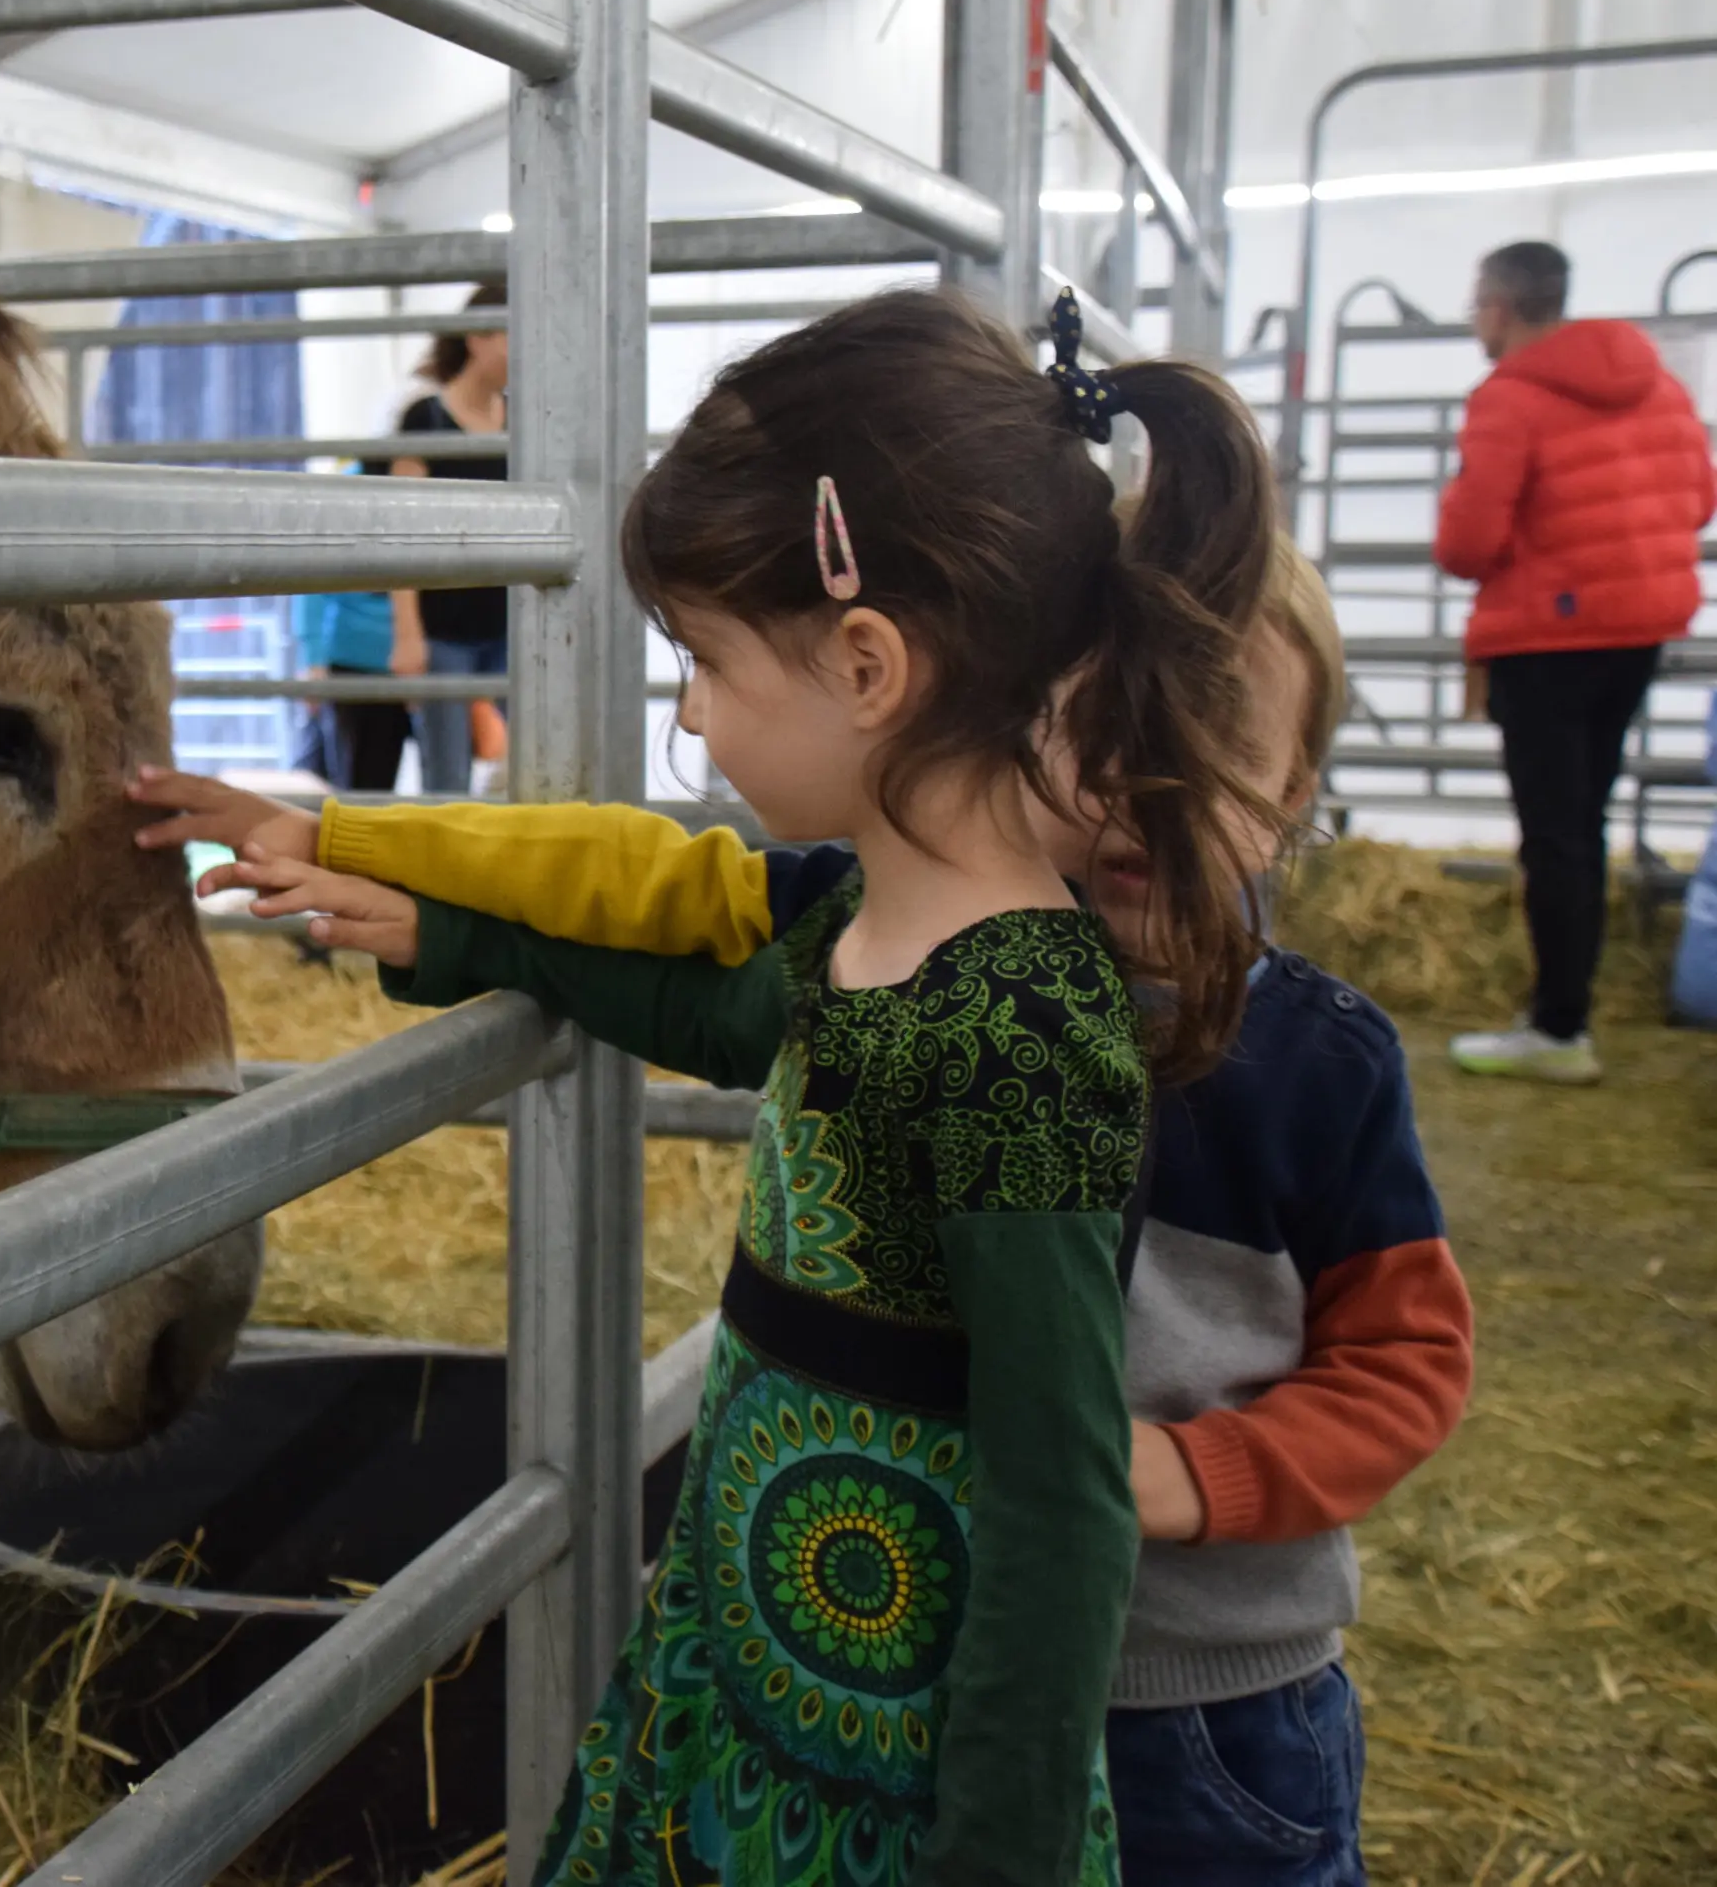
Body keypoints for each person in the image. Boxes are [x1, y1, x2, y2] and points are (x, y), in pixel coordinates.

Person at [140, 286, 1282, 1886]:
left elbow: (1063, 1498)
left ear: (869, 663)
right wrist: (449, 925)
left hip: (888, 1752)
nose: (687, 713)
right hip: (753, 1657)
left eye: (708, 662)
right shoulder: (862, 930)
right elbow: (723, 1003)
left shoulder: (1022, 1031)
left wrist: (1000, 1855)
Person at [1436, 240, 1715, 1085]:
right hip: (1636, 632)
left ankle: (1559, 1027)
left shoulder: (1509, 398)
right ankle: (1564, 1009)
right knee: (1582, 825)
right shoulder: (1656, 384)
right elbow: (1701, 494)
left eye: (1477, 302)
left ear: (1503, 306)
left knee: (1553, 833)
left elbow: (1469, 542)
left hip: (1546, 640)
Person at [382, 281, 510, 793]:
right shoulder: (425, 417)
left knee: (546, 760)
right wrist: (408, 634)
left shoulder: (526, 416)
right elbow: (400, 528)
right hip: (445, 631)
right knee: (447, 778)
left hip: (511, 624)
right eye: (510, 334)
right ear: (476, 339)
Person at [291, 586, 411, 791]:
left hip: (398, 667)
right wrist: (314, 661)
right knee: (346, 774)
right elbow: (312, 592)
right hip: (345, 665)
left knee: (380, 779)